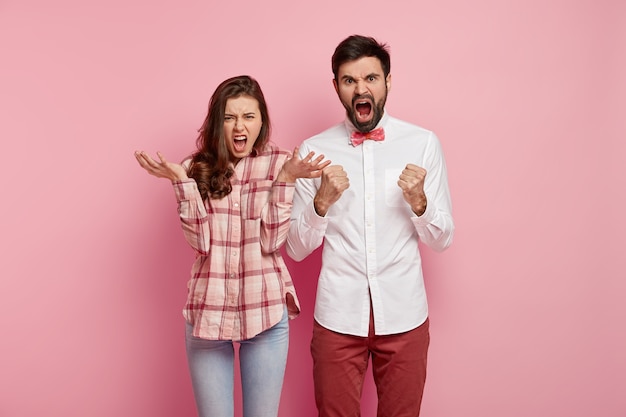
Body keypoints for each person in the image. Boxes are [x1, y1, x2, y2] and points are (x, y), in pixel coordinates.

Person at [135, 75, 329, 417]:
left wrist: (286, 180)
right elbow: (201, 243)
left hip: (265, 312)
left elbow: (272, 241)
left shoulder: (282, 163)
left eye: (248, 117)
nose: (239, 126)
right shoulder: (194, 168)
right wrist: (182, 184)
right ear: (217, 123)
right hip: (208, 313)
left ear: (261, 122)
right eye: (229, 117)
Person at [286, 35, 455, 417]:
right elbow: (296, 249)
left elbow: (443, 238)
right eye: (349, 80)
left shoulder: (423, 143)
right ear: (337, 87)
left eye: (371, 78)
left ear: (388, 82)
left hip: (405, 314)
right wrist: (321, 202)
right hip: (337, 317)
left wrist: (420, 204)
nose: (361, 88)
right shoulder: (313, 151)